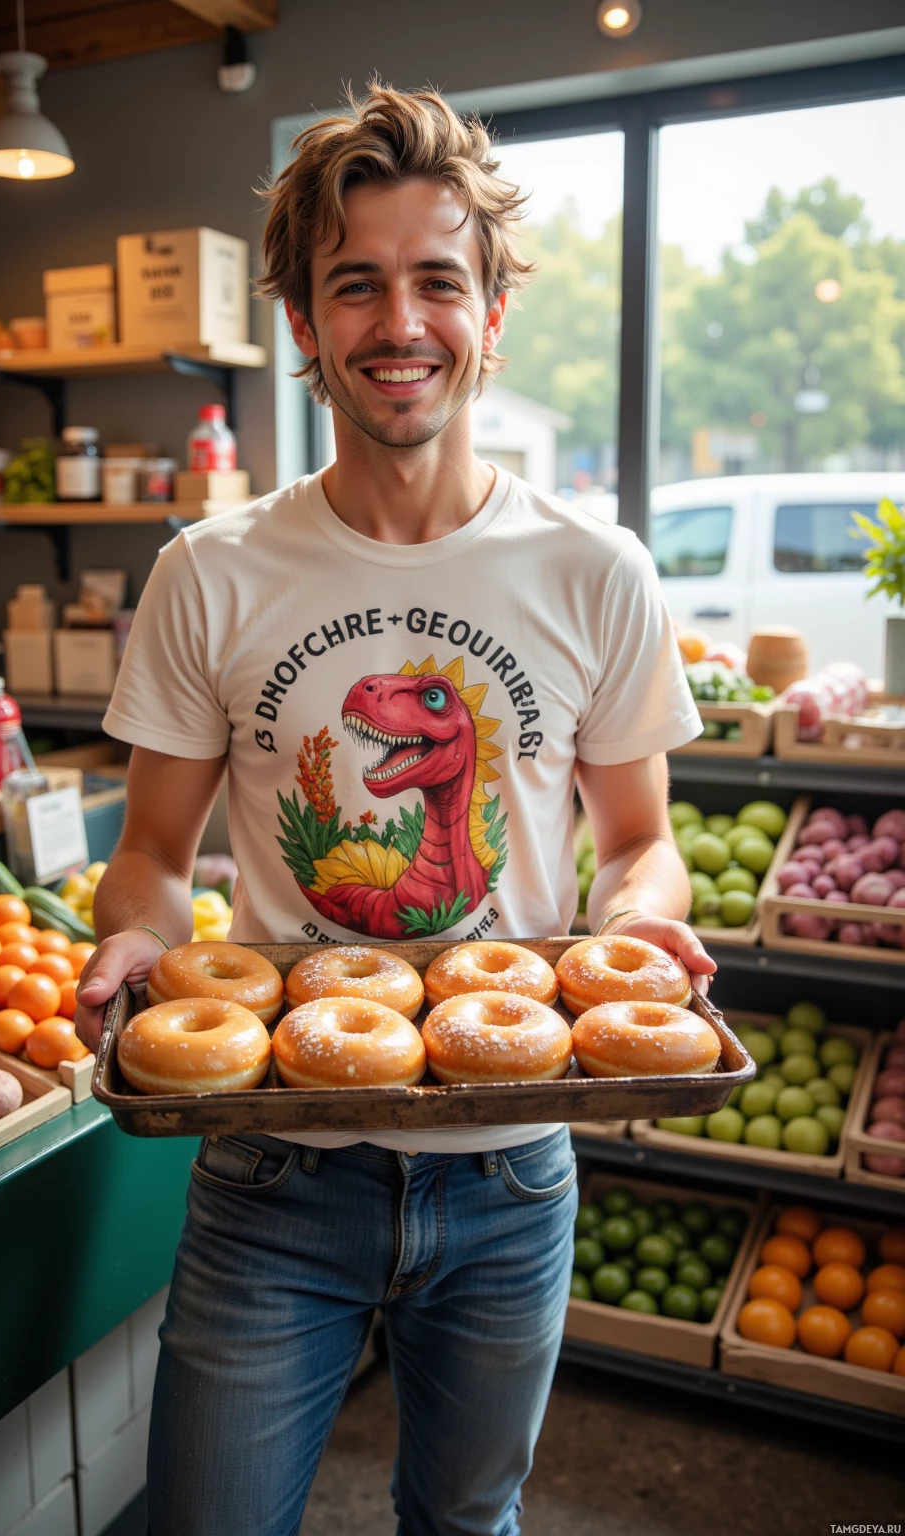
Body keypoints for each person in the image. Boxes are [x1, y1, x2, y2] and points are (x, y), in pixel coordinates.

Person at [75, 82, 713, 1536]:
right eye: (355, 286)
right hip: (270, 1169)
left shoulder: (595, 570)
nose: (399, 323)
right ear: (304, 321)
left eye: (439, 280)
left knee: (466, 1527)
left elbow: (642, 844)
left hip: (509, 1172)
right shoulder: (212, 572)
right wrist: (132, 947)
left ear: (493, 313)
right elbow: (156, 861)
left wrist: (636, 933)